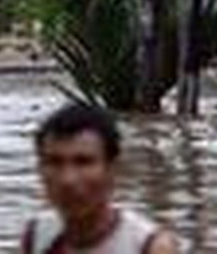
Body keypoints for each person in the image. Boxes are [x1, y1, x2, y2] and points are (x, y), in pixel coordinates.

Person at [22, 103, 178, 253]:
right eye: (55, 162)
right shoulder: (37, 236)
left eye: (83, 162)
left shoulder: (148, 246)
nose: (67, 180)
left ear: (113, 168)